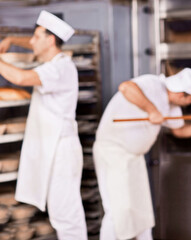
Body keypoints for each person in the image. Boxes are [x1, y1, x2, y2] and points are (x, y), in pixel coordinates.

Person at [93, 67, 191, 240]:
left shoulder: (171, 106)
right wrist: (151, 110)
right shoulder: (153, 84)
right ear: (180, 94)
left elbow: (180, 131)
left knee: (142, 212)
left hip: (134, 159)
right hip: (114, 153)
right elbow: (126, 87)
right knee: (118, 210)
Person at [0, 11, 87, 239]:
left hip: (61, 150)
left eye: (35, 37)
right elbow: (34, 44)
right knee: (61, 212)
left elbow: (19, 78)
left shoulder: (59, 68)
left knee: (66, 215)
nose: (30, 42)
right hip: (55, 147)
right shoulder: (57, 60)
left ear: (50, 40)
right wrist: (10, 40)